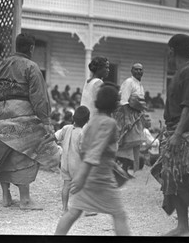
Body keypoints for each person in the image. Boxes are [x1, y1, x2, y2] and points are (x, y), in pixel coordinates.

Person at [0, 33, 60, 210]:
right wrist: (46, 120)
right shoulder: (31, 67)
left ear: (16, 46)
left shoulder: (1, 65)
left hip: (0, 114)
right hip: (23, 116)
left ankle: (6, 196)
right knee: (26, 154)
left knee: (3, 154)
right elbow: (39, 97)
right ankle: (25, 199)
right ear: (31, 48)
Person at [153, 34, 189, 236]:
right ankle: (182, 226)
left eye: (168, 51)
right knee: (172, 179)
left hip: (186, 134)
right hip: (176, 131)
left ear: (171, 51)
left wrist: (177, 134)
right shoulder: (182, 72)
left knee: (180, 179)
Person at [55, 84, 130, 236]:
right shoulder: (109, 123)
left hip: (88, 176)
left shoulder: (91, 123)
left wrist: (83, 174)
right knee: (119, 214)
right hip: (101, 178)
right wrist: (82, 176)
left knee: (73, 212)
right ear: (115, 105)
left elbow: (85, 149)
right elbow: (94, 152)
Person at [55, 105, 90, 213]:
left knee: (66, 185)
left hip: (64, 163)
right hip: (77, 164)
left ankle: (64, 208)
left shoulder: (66, 128)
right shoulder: (82, 133)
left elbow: (55, 137)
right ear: (87, 121)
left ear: (73, 117)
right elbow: (83, 150)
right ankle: (87, 209)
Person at [114, 63, 147, 174]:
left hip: (137, 116)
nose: (138, 71)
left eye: (140, 70)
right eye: (136, 69)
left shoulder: (140, 85)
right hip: (126, 115)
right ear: (131, 70)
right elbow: (124, 101)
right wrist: (128, 119)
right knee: (125, 142)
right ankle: (120, 168)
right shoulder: (129, 82)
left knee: (135, 143)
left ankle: (134, 169)